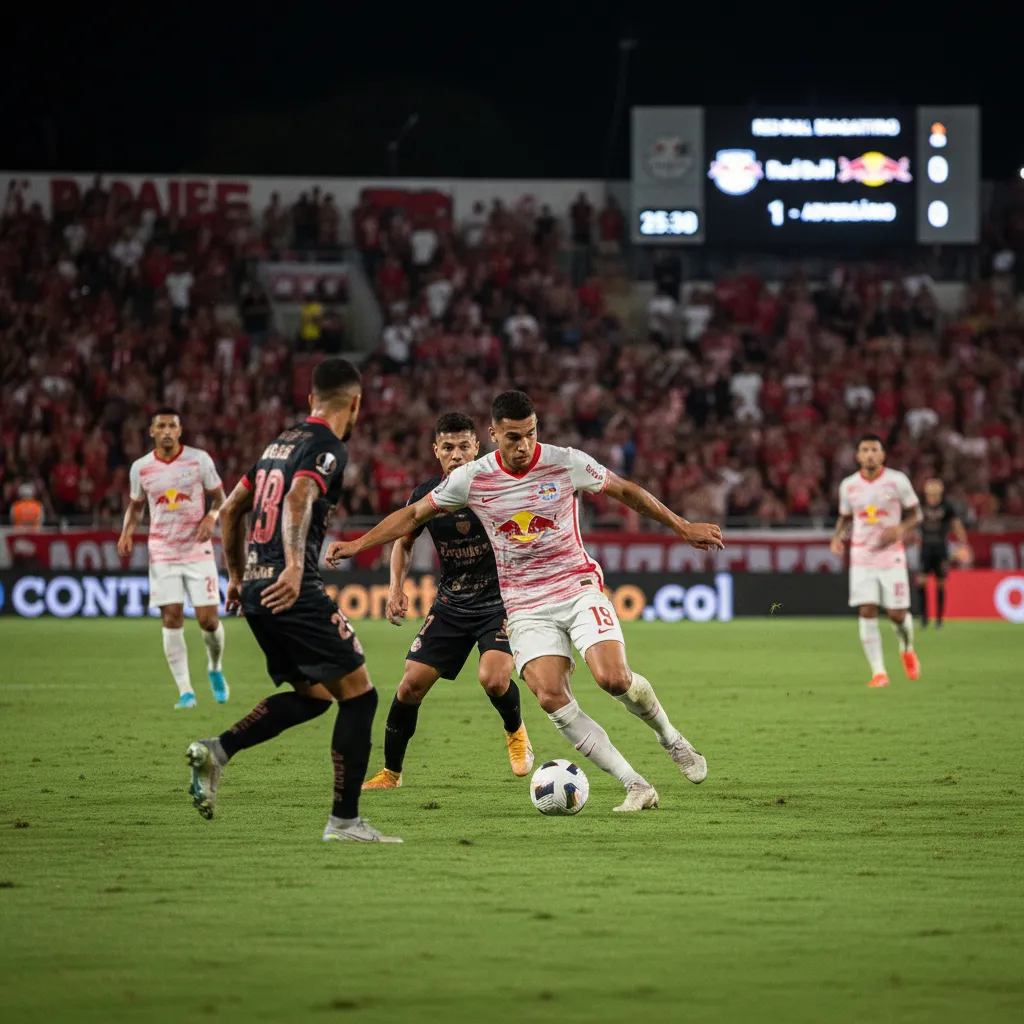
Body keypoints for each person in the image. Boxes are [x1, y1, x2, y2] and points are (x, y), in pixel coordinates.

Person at [328, 390, 724, 813]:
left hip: (575, 588)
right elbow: (410, 518)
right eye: (514, 437)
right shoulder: (471, 479)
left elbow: (626, 492)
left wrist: (682, 527)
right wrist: (358, 545)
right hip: (524, 605)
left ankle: (671, 738)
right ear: (494, 434)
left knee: (612, 679)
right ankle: (635, 784)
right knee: (551, 697)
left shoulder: (565, 461)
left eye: (531, 435)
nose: (524, 447)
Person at [185, 358, 400, 844]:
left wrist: (237, 577)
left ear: (310, 400)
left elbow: (231, 510)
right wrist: (297, 564)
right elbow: (301, 494)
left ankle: (217, 750)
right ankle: (344, 823)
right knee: (361, 697)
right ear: (357, 403)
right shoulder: (327, 447)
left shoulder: (277, 444)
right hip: (292, 588)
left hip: (259, 590)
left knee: (315, 697)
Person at [362, 412, 534, 791]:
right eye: (448, 448)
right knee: (409, 686)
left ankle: (515, 729)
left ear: (478, 447)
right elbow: (403, 540)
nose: (456, 455)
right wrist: (395, 588)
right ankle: (391, 773)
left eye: (463, 447)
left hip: (499, 603)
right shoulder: (427, 493)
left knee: (492, 679)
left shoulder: (502, 487)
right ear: (436, 451)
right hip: (452, 604)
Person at [118, 409, 228, 709]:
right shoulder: (141, 468)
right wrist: (127, 531)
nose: (167, 430)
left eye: (172, 426)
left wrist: (211, 517)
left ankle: (215, 668)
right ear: (151, 431)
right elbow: (137, 506)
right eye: (161, 426)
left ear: (180, 431)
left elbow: (221, 497)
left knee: (208, 620)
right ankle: (186, 691)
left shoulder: (199, 460)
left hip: (197, 548)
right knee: (172, 617)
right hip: (162, 551)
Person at [830, 434, 924, 688]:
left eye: (874, 450)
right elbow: (846, 517)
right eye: (865, 450)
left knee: (896, 614)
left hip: (891, 554)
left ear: (882, 455)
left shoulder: (897, 481)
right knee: (867, 609)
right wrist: (838, 537)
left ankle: (906, 647)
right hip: (862, 555)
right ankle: (879, 672)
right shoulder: (848, 485)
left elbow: (917, 514)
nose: (870, 454)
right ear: (858, 456)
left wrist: (901, 528)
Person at [917, 478, 968, 629]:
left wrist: (963, 543)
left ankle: (939, 619)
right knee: (922, 582)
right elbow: (913, 521)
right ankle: (924, 618)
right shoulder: (921, 505)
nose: (933, 494)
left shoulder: (947, 506)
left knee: (940, 583)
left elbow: (956, 525)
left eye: (935, 491)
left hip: (941, 548)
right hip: (925, 547)